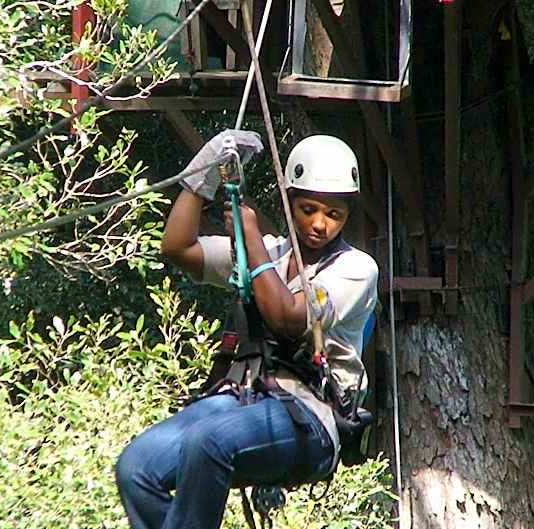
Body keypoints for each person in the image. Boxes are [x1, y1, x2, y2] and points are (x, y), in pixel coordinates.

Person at [115, 131, 379, 529]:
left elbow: (288, 319)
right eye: (309, 210)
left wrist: (250, 236)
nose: (320, 224)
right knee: (137, 467)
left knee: (211, 441)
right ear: (289, 203)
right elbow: (177, 247)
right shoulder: (270, 252)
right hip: (241, 398)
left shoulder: (356, 270)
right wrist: (201, 178)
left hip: (310, 416)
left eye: (334, 215)